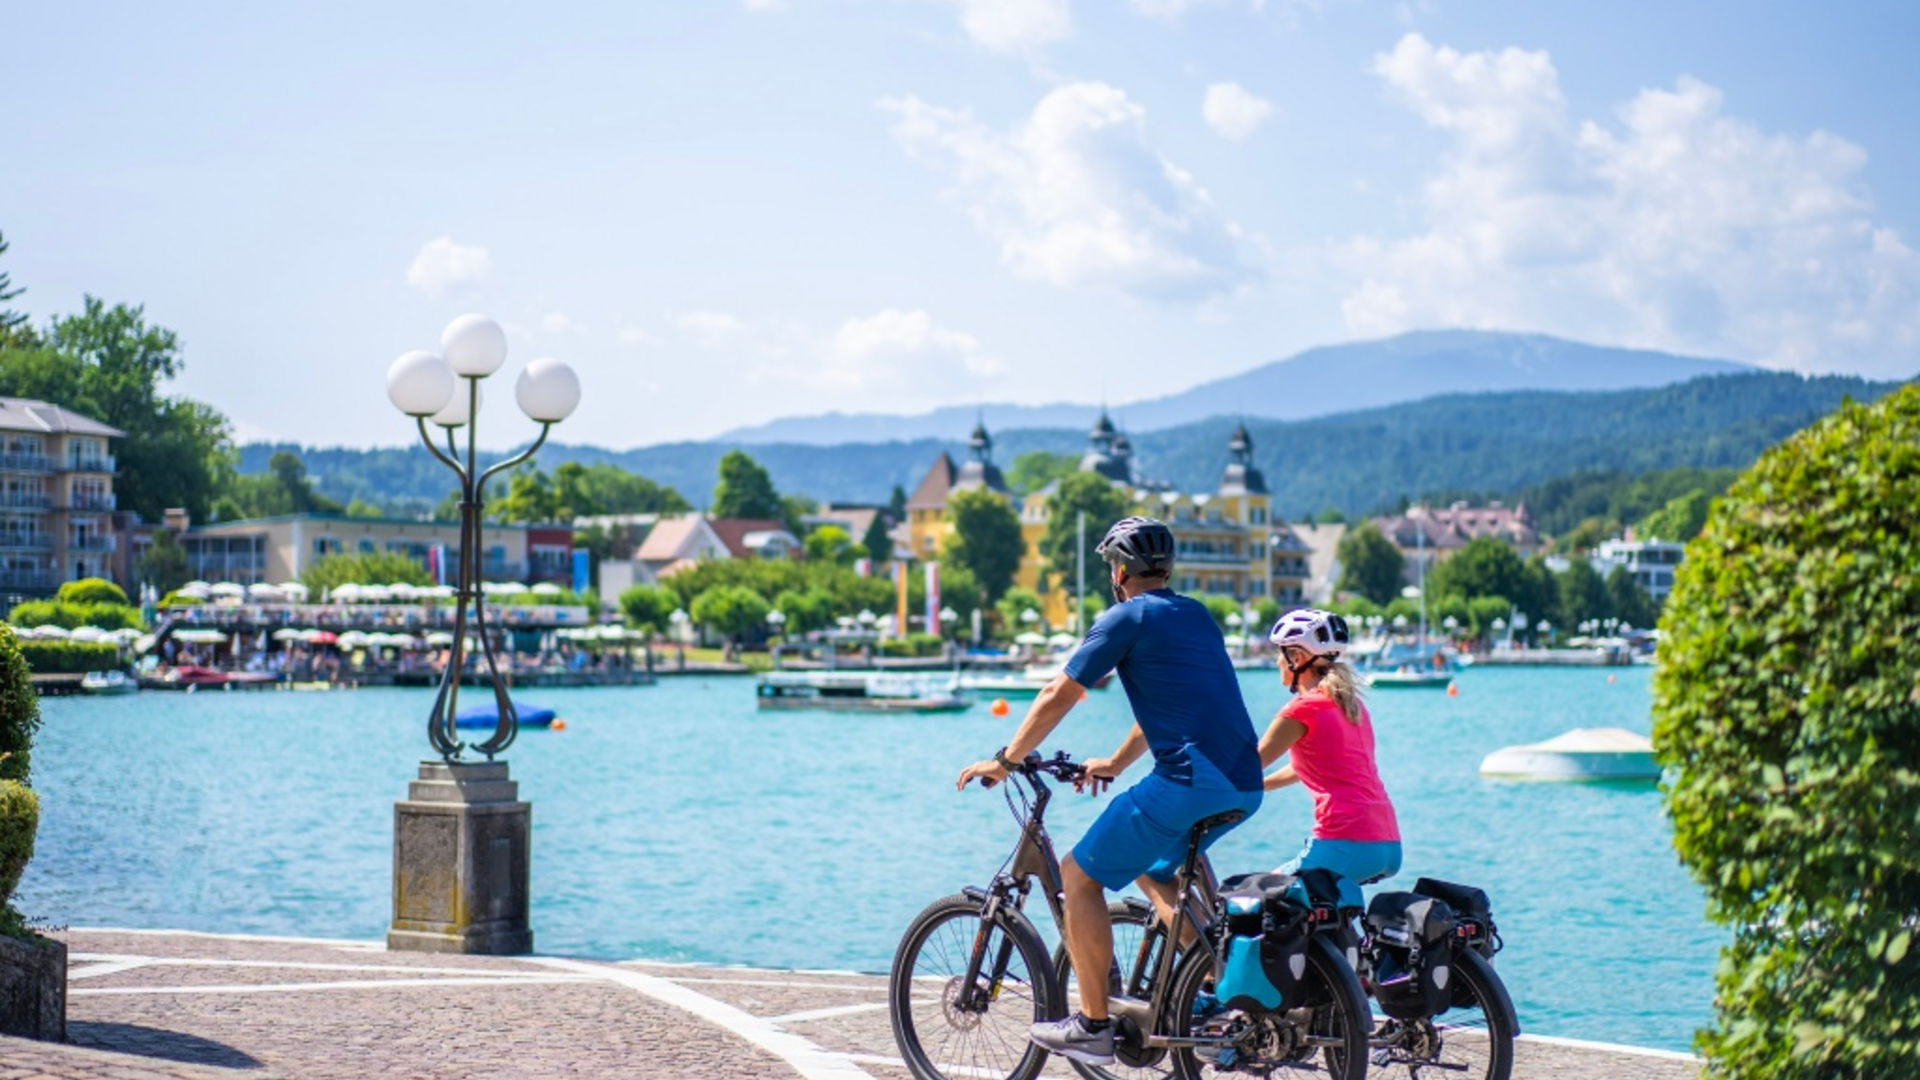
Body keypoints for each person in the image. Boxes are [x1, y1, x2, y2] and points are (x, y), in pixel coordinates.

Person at [957, 516, 1265, 1066]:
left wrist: (1008, 759)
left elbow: (1060, 692)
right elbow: (1174, 710)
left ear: (1119, 570)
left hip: (1188, 782)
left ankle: (1093, 1026)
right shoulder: (1196, 616)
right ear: (1166, 569)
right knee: (1153, 869)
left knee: (1078, 877)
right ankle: (1215, 989)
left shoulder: (1124, 617)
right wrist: (1116, 764)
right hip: (1243, 783)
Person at [1258, 609, 1401, 889]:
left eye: (1280, 653)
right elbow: (1311, 767)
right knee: (1315, 919)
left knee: (1256, 897)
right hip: (1387, 843)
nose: (1277, 660)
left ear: (1296, 658)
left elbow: (1246, 765)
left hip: (1348, 839)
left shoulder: (1303, 708)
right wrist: (1260, 786)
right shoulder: (1350, 704)